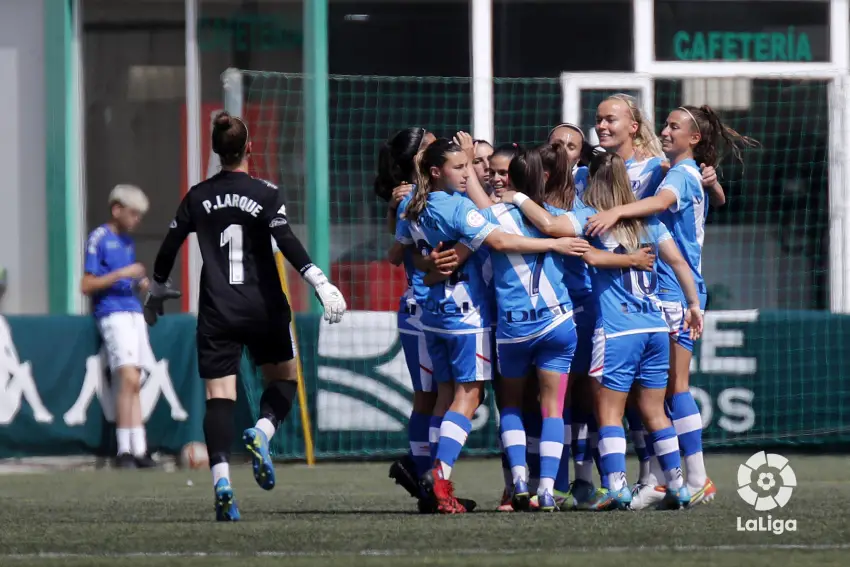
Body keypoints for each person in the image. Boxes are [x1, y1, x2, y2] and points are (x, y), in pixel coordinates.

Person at [144, 111, 347, 521]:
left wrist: (158, 287)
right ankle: (263, 431)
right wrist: (320, 282)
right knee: (284, 380)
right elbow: (286, 240)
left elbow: (169, 244)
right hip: (265, 307)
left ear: (217, 152)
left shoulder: (198, 196)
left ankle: (222, 481)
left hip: (218, 310)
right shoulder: (267, 193)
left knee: (219, 399)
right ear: (249, 148)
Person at [502, 152, 704, 510]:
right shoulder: (649, 222)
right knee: (654, 411)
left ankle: (615, 485)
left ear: (591, 183)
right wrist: (693, 305)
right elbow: (678, 263)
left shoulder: (590, 219)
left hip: (618, 330)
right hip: (656, 327)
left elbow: (550, 226)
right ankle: (678, 485)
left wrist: (516, 196)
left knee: (608, 412)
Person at [584, 105, 757, 508]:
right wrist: (714, 185)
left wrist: (617, 210)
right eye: (665, 124)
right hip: (666, 291)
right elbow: (713, 195)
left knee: (674, 389)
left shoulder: (679, 174)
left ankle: (695, 478)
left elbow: (661, 203)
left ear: (694, 138)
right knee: (654, 395)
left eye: (673, 126)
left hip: (675, 293)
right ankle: (662, 480)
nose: (664, 130)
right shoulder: (680, 169)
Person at [398, 137, 582, 514]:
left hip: (433, 314)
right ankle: (440, 473)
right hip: (468, 316)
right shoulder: (463, 208)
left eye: (474, 167)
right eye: (462, 167)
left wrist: (432, 264)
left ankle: (442, 485)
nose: (471, 174)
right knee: (472, 398)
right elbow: (498, 240)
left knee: (446, 398)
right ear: (438, 172)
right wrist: (553, 245)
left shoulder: (410, 202)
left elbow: (408, 256)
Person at [81, 185, 157, 469]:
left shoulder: (127, 242)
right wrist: (122, 274)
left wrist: (141, 283)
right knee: (126, 378)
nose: (137, 219)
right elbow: (87, 284)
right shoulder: (100, 238)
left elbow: (127, 280)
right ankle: (124, 448)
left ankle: (139, 447)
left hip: (133, 312)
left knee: (134, 379)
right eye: (133, 213)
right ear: (117, 209)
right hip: (113, 313)